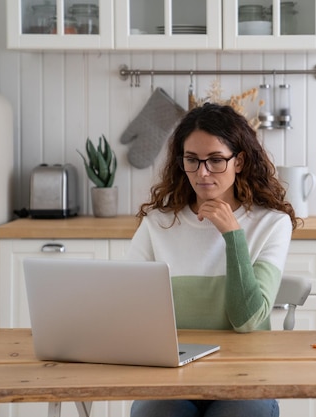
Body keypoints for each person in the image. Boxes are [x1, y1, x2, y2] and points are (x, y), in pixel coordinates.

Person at [127, 102, 298, 417]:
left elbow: (247, 321)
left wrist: (233, 236)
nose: (202, 173)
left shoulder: (272, 224)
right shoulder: (157, 223)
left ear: (240, 161)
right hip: (171, 377)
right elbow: (128, 308)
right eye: (192, 160)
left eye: (216, 160)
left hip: (244, 378)